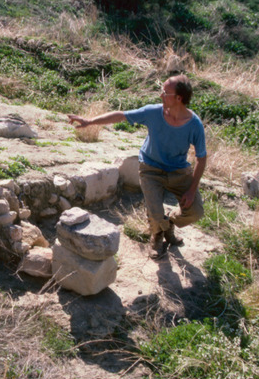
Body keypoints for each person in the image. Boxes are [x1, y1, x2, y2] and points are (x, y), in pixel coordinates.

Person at [68, 74, 207, 259]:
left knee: (196, 212)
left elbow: (201, 158)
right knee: (155, 213)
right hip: (151, 169)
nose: (160, 95)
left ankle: (169, 223)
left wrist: (191, 190)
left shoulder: (194, 124)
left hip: (178, 171)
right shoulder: (153, 112)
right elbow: (122, 115)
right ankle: (157, 236)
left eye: (165, 92)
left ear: (179, 98)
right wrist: (89, 121)